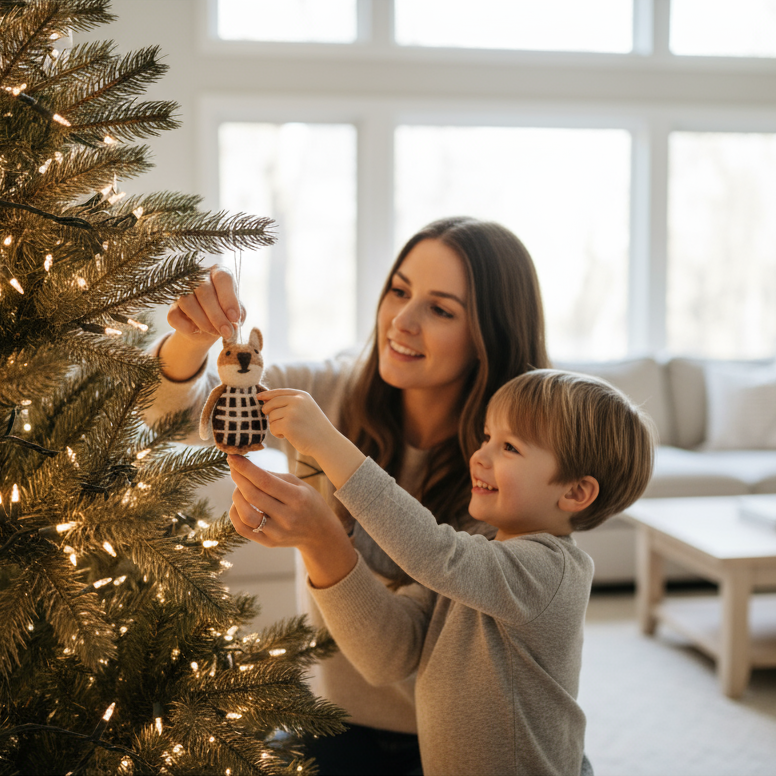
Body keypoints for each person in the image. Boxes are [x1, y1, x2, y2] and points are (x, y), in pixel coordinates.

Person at [144, 216, 549, 775]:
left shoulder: (505, 472)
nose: (400, 322)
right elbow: (167, 416)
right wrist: (192, 337)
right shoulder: (324, 395)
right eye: (399, 291)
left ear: (491, 338)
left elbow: (392, 658)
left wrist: (322, 539)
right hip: (335, 718)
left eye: (441, 309)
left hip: (461, 743)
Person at [226, 369, 656, 776]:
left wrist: (326, 443)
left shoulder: (550, 570)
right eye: (488, 437)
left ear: (576, 492)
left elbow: (435, 552)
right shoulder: (484, 559)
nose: (480, 455)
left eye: (510, 448)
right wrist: (319, 540)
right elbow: (394, 651)